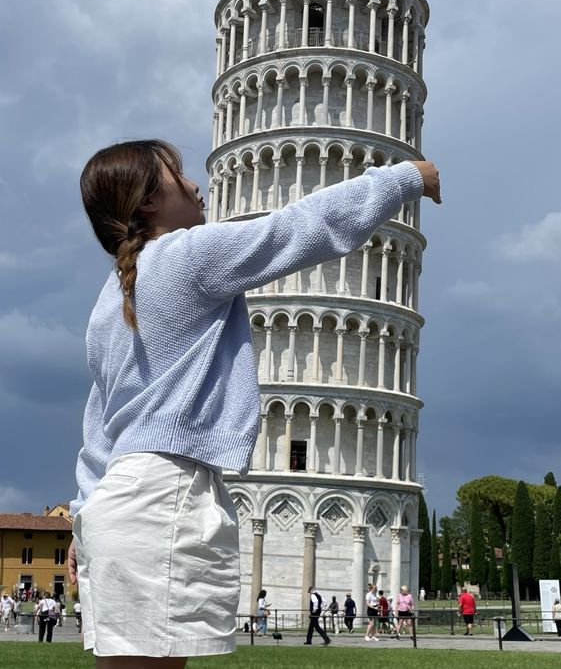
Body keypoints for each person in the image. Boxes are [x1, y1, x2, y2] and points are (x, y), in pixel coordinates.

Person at [67, 140, 441, 666]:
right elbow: (295, 230)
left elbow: (99, 430)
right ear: (148, 200)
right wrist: (402, 179)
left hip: (116, 504)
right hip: (163, 497)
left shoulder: (110, 299)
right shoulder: (185, 257)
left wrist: (82, 517)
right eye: (179, 175)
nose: (199, 185)